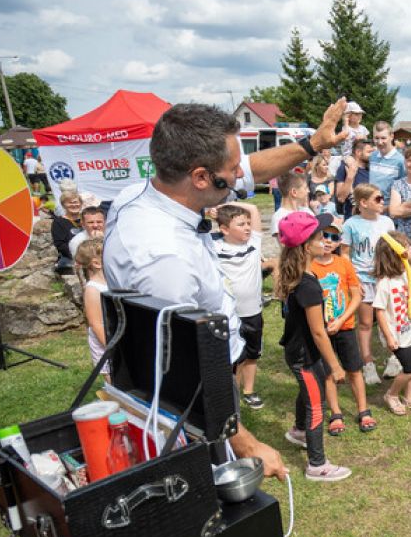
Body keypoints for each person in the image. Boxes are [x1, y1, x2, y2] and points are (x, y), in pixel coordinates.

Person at [103, 96, 352, 481]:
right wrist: (247, 445)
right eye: (232, 170)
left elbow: (251, 167)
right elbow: (181, 374)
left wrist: (312, 144)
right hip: (191, 406)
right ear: (201, 177)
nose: (241, 176)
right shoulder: (163, 257)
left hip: (213, 373)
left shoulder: (144, 194)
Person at [274, 211, 353, 482]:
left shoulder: (300, 275)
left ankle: (298, 431)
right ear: (308, 246)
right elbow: (319, 333)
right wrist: (336, 366)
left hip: (302, 351)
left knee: (310, 388)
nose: (326, 241)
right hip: (304, 355)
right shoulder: (307, 285)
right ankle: (317, 465)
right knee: (316, 405)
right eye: (321, 237)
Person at [303, 213, 371, 438]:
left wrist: (341, 320)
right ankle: (336, 413)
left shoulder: (344, 264)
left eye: (333, 237)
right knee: (329, 373)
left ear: (339, 241)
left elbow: (356, 295)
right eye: (324, 236)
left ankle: (363, 409)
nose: (328, 241)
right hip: (322, 330)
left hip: (345, 326)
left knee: (354, 370)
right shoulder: (309, 266)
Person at [214, 201, 274, 410]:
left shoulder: (253, 245)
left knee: (252, 353)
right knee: (231, 356)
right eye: (241, 224)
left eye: (248, 224)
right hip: (227, 314)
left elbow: (256, 210)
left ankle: (249, 391)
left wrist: (226, 203)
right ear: (224, 229)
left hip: (252, 311)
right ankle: (232, 393)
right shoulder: (215, 247)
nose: (247, 227)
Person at [340, 183, 396, 390]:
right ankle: (368, 363)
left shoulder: (387, 222)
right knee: (364, 323)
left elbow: (393, 250)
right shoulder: (351, 224)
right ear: (363, 203)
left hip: (384, 278)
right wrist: (352, 280)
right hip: (362, 279)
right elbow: (345, 254)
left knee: (389, 320)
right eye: (378, 199)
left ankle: (394, 357)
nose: (383, 202)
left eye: (382, 198)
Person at [371, 231, 411, 416]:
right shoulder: (385, 283)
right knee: (410, 368)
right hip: (397, 334)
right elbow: (379, 310)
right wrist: (388, 336)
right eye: (407, 246)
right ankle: (392, 394)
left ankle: (409, 397)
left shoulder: (408, 274)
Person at [74, 238, 109, 375]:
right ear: (96, 263)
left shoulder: (111, 281)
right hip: (104, 342)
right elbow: (95, 323)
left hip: (116, 335)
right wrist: (111, 346)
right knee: (114, 381)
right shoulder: (93, 289)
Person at [388, 145, 411, 238]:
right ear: (405, 162)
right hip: (402, 236)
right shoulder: (398, 184)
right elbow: (393, 212)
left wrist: (403, 206)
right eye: (409, 161)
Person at [333, 138, 373, 219]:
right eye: (369, 152)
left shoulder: (372, 169)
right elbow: (341, 198)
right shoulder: (344, 168)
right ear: (358, 152)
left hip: (371, 218)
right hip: (352, 219)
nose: (372, 155)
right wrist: (350, 176)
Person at [51, 184, 85, 272]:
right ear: (63, 205)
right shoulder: (59, 222)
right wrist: (80, 257)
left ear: (81, 204)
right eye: (70, 202)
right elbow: (60, 245)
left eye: (76, 202)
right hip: (71, 258)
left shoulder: (87, 218)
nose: (74, 205)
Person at [367, 121, 406, 196]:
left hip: (389, 206)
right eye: (376, 138)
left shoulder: (400, 161)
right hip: (372, 204)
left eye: (383, 138)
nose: (380, 142)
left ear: (391, 136)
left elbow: (403, 188)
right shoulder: (372, 156)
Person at [271, 172, 311, 239]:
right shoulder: (279, 217)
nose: (308, 191)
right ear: (294, 192)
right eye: (305, 188)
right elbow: (285, 246)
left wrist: (306, 206)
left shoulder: (304, 210)